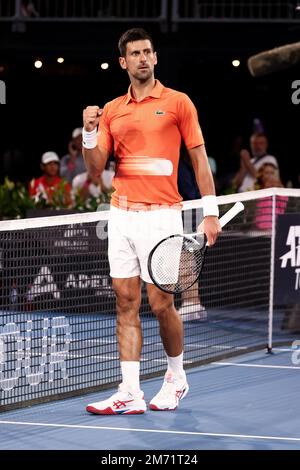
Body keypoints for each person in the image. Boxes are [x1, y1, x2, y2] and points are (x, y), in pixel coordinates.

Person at [82, 28, 221, 415]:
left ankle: (176, 377)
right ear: (123, 62)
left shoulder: (178, 103)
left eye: (148, 52)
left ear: (155, 58)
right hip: (122, 216)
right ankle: (130, 391)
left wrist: (209, 212)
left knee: (162, 305)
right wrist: (89, 133)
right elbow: (95, 170)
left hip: (163, 217)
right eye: (135, 54)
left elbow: (198, 159)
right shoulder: (111, 110)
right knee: (125, 302)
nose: (143, 58)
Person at [254, 162, 287, 230]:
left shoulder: (278, 189)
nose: (270, 176)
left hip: (277, 228)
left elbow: (283, 206)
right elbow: (257, 207)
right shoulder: (256, 188)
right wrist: (266, 188)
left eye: (272, 173)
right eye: (267, 173)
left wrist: (280, 189)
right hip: (260, 229)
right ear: (261, 175)